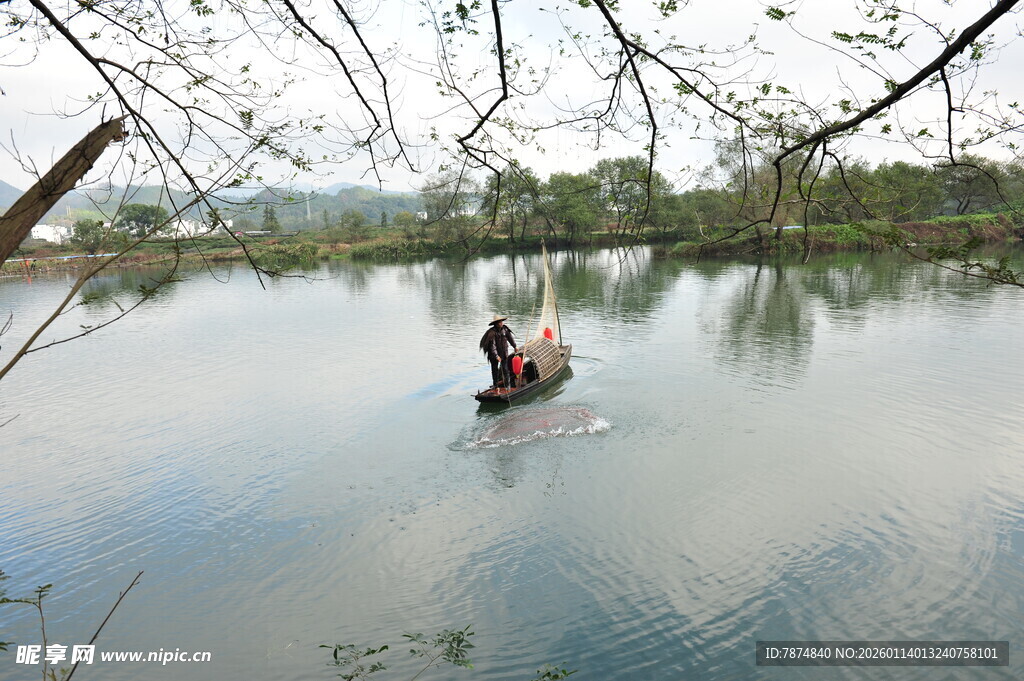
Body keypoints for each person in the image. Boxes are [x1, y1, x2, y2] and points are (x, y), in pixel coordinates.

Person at [480, 315, 518, 388]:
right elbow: (492, 346)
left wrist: (515, 346)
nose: (501, 323)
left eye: (501, 322)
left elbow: (510, 339)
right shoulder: (491, 333)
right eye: (499, 322)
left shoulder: (505, 329)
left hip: (503, 353)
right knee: (495, 370)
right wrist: (496, 356)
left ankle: (507, 386)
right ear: (496, 323)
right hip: (494, 355)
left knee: (505, 370)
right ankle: (496, 386)